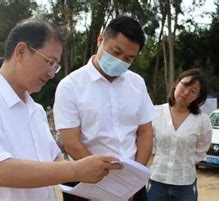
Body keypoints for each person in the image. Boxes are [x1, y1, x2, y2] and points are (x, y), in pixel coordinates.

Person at [0, 18, 122, 201]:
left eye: (55, 67)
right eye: (50, 62)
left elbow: (54, 161)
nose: (51, 73)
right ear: (21, 51)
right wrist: (76, 170)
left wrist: (99, 176)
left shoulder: (35, 110)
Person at [53, 16, 155, 201]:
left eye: (129, 58)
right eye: (116, 52)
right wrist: (110, 184)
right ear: (101, 40)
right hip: (86, 185)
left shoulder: (137, 83)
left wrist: (132, 181)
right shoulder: (70, 86)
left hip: (131, 188)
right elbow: (71, 143)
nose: (120, 61)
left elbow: (145, 132)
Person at [146, 68, 212, 201]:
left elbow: (202, 150)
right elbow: (148, 144)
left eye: (193, 91)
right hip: (157, 180)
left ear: (197, 97)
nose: (186, 92)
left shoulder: (202, 120)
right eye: (185, 85)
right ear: (176, 84)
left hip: (185, 184)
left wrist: (183, 162)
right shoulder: (155, 112)